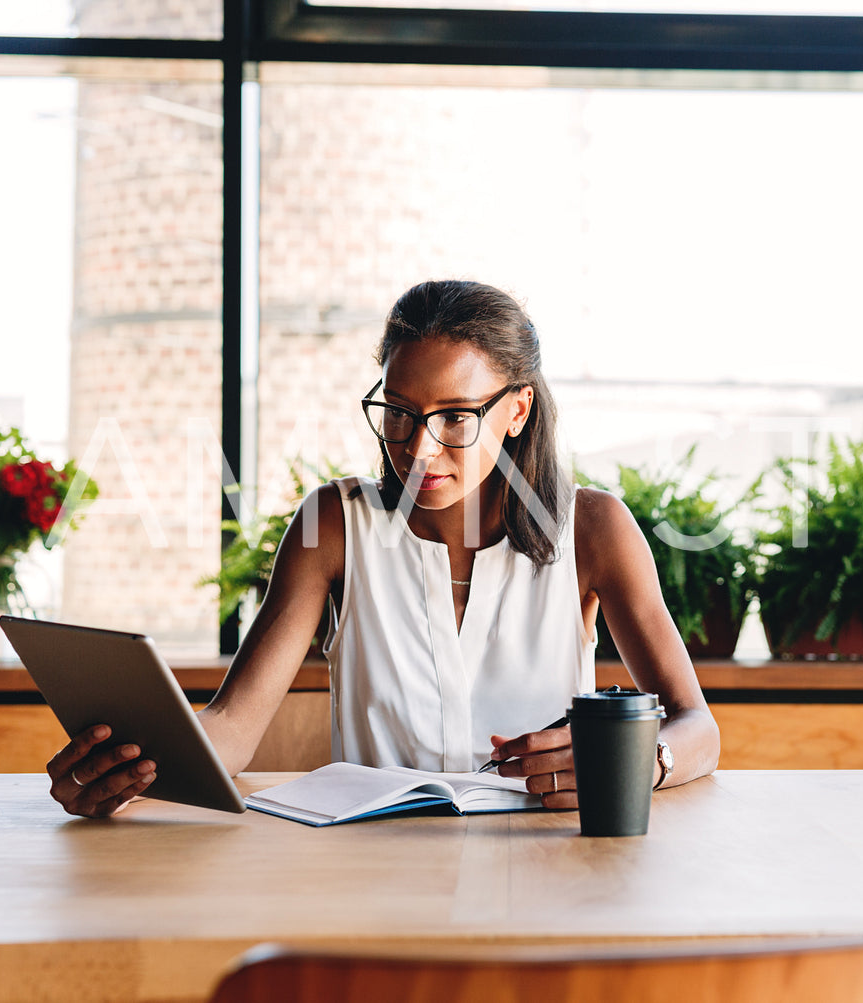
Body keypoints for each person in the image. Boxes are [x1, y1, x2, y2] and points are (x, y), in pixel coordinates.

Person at [48, 279, 720, 817]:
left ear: (516, 411)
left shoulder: (593, 526)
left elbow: (696, 726)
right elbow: (232, 723)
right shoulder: (334, 524)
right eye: (398, 411)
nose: (417, 447)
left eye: (455, 416)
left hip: (545, 864)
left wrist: (637, 760)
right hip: (370, 870)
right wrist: (133, 768)